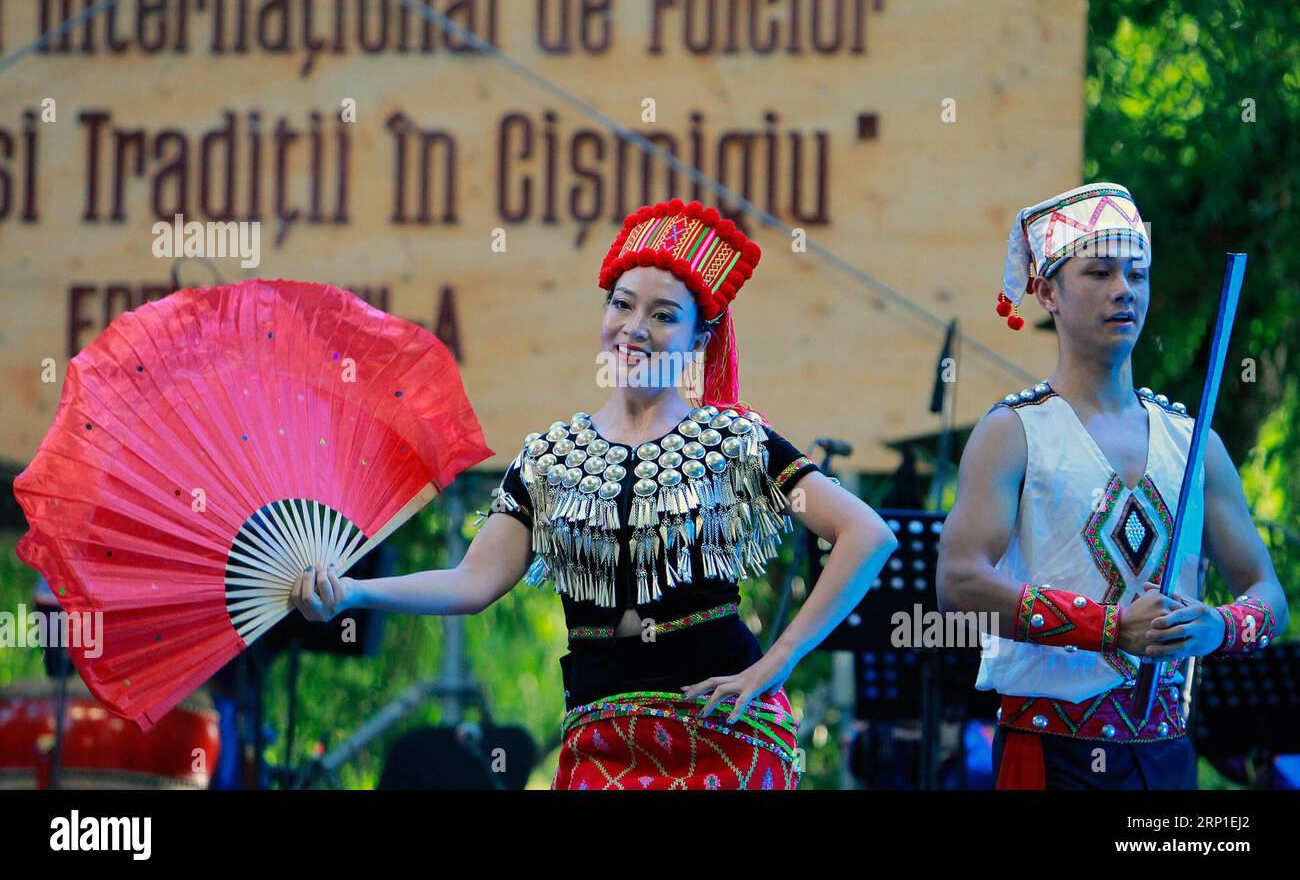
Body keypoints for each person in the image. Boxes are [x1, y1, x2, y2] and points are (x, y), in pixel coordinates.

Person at [291, 198, 898, 789]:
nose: (634, 328)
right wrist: (353, 592)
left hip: (724, 737)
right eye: (622, 305)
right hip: (599, 745)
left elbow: (867, 534)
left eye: (663, 315)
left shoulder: (735, 441)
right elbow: (473, 581)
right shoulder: (550, 457)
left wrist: (778, 660)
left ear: (697, 339)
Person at [937, 182, 1289, 790]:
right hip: (1050, 753)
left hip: (1167, 753)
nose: (1123, 289)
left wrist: (1219, 626)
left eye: (1137, 274)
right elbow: (960, 582)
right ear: (1046, 290)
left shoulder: (1195, 441)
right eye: (1098, 272)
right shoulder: (1012, 433)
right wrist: (1107, 625)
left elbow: (1268, 594)